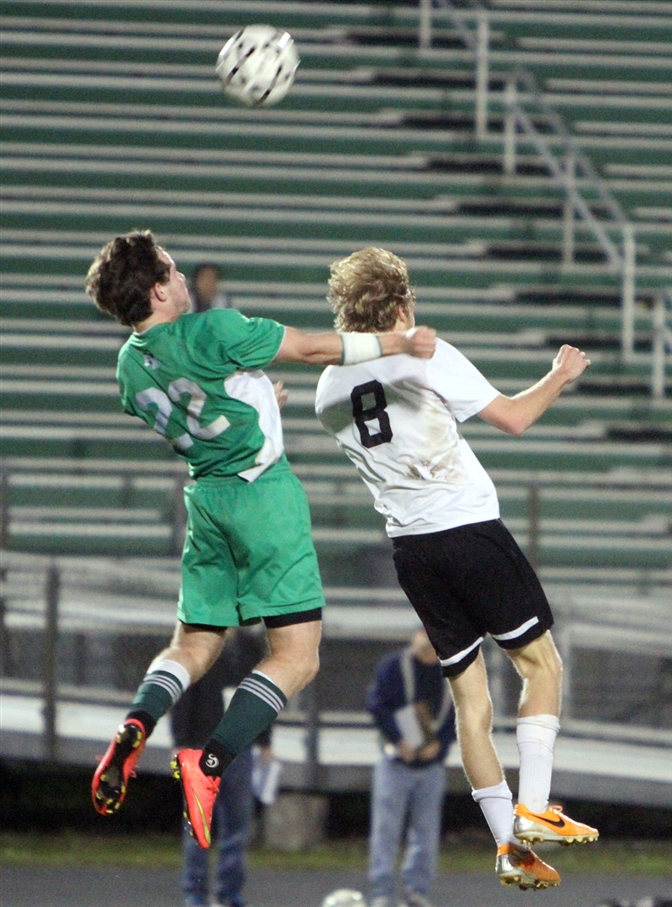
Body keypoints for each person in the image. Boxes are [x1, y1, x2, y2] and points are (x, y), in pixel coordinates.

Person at [85, 231, 436, 850]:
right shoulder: (213, 329)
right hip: (262, 498)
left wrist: (257, 401)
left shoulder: (127, 366)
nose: (184, 275)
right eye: (172, 267)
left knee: (194, 644)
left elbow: (201, 409)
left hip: (207, 501)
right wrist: (399, 341)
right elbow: (310, 347)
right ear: (160, 288)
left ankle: (139, 719)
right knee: (298, 659)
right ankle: (210, 764)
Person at [315, 247, 599, 892]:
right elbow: (515, 418)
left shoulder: (327, 389)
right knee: (541, 665)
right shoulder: (423, 355)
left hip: (413, 554)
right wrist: (560, 373)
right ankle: (536, 809)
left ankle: (507, 846)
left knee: (471, 700)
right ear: (400, 305)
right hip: (469, 531)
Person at [170, 628, 268, 907]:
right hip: (203, 743)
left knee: (237, 824)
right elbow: (184, 691)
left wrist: (264, 739)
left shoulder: (251, 646)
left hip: (240, 744)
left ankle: (229, 892)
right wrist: (181, 741)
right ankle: (195, 892)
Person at [365, 628, 456, 907]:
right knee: (386, 829)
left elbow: (461, 713)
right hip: (395, 761)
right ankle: (382, 891)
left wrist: (440, 744)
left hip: (431, 766)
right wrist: (399, 739)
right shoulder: (395, 666)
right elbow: (376, 704)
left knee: (426, 831)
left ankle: (417, 891)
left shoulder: (451, 672)